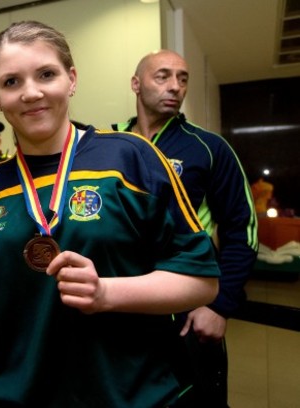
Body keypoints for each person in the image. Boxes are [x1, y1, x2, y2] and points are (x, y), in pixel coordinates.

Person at [0, 21, 220, 407]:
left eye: (46, 74)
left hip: (128, 394)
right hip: (14, 394)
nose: (31, 92)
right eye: (12, 82)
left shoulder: (131, 158)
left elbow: (201, 281)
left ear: (72, 79)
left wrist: (106, 293)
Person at [112, 49, 258, 406]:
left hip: (186, 315)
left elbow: (243, 228)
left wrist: (221, 305)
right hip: (119, 308)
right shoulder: (109, 146)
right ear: (136, 84)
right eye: (162, 76)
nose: (175, 86)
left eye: (183, 78)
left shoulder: (208, 148)